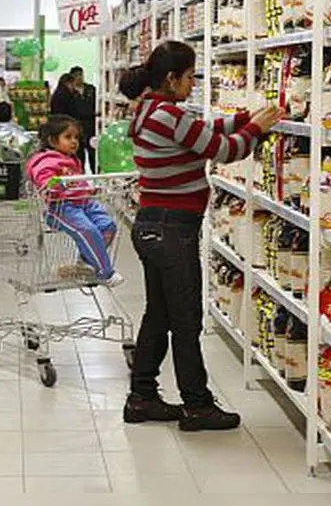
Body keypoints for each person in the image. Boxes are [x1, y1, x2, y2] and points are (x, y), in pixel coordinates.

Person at [120, 41, 283, 432]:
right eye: (191, 76)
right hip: (171, 228)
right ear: (172, 78)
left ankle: (141, 397)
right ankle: (197, 405)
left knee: (159, 315)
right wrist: (256, 129)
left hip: (154, 225)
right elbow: (223, 149)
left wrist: (248, 116)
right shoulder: (166, 114)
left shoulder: (149, 110)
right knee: (186, 318)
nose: (193, 84)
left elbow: (202, 131)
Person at [25, 115, 123, 287]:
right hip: (62, 207)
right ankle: (105, 272)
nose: (74, 142)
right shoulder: (45, 161)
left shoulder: (72, 159)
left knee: (108, 226)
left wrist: (89, 189)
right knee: (88, 230)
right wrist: (55, 185)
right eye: (68, 137)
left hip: (84, 202)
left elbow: (78, 182)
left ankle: (85, 261)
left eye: (76, 137)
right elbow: (44, 182)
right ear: (52, 140)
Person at [69, 66, 98, 172]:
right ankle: (81, 174)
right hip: (77, 125)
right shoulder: (70, 92)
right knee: (79, 152)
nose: (79, 78)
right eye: (76, 75)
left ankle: (95, 174)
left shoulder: (91, 89)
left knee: (93, 151)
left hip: (91, 124)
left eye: (81, 75)